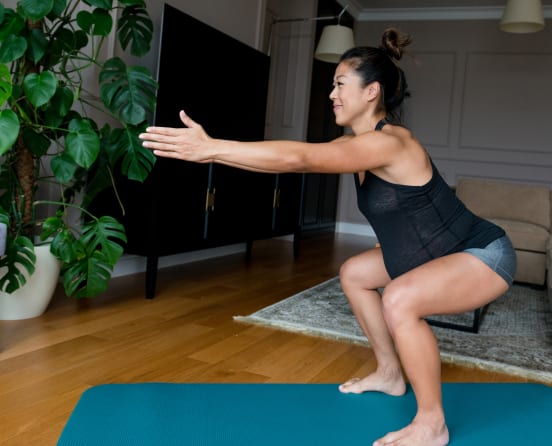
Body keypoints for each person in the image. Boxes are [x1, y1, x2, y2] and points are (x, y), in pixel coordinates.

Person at [140, 27, 516, 446]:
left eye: (339, 84)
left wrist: (213, 148)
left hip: (482, 252)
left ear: (371, 91)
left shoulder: (391, 142)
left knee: (400, 300)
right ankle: (391, 375)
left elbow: (300, 157)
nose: (331, 94)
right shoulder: (354, 145)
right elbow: (290, 164)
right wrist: (217, 155)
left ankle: (432, 423)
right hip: (432, 251)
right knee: (355, 272)